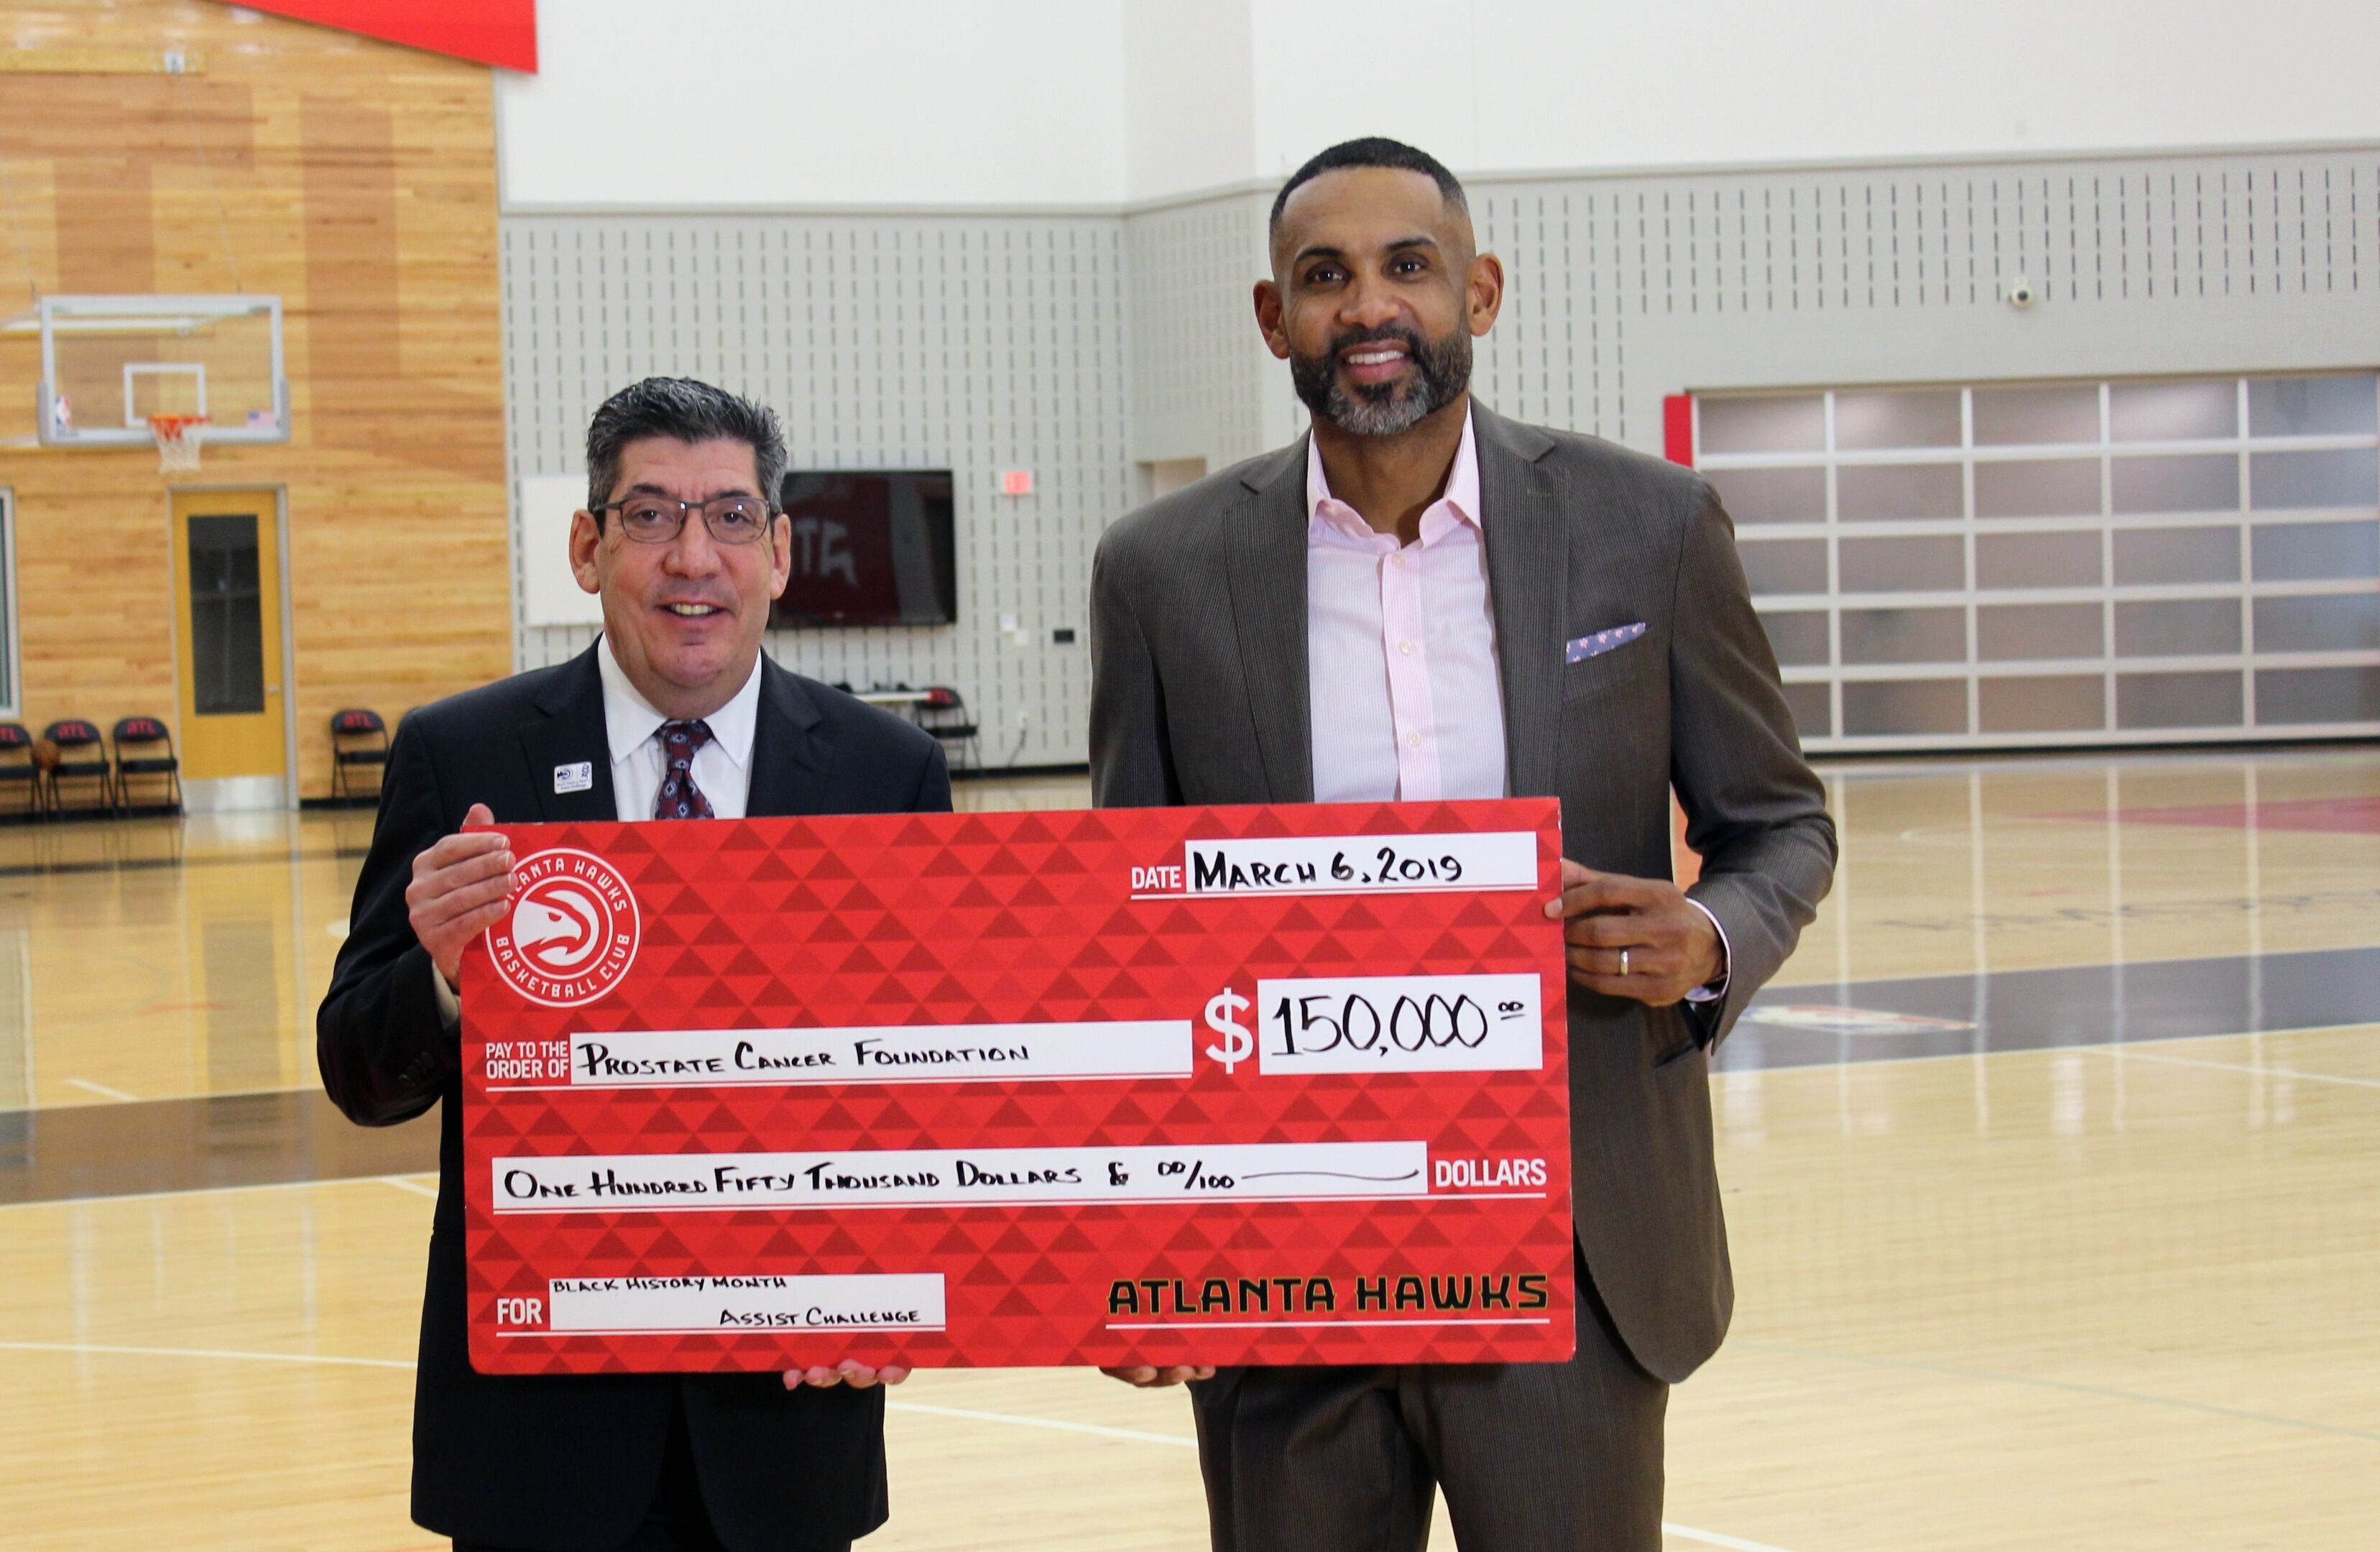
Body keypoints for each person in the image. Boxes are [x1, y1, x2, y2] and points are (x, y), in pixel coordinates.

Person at [1087, 138, 1836, 1551]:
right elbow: (1130, 928)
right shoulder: (1163, 570)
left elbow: (1780, 823)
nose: (1370, 306)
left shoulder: (1649, 526)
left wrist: (1711, 938)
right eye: (1326, 277)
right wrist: (1137, 1235)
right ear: (1275, 319)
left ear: (1478, 292)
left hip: (1569, 1238)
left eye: (1408, 267)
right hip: (1278, 1247)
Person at [320, 377, 950, 1552]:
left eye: (727, 517)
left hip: (791, 1417)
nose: (690, 557)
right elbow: (360, 1072)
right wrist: (446, 978)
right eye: (651, 516)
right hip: (535, 1437)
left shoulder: (887, 773)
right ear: (587, 547)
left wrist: (909, 1280)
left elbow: (939, 1082)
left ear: (779, 551)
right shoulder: (461, 757)